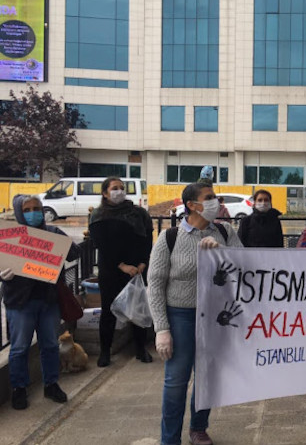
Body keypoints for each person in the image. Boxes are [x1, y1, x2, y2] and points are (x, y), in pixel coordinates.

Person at [147, 182, 243, 445]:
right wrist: (162, 328)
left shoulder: (224, 231)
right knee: (176, 380)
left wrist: (222, 253)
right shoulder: (170, 238)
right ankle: (169, 439)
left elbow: (243, 266)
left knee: (207, 377)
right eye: (209, 197)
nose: (216, 202)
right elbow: (155, 284)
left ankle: (198, 427)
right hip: (181, 316)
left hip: (215, 317)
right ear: (191, 205)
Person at [1, 195, 80, 410]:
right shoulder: (10, 236)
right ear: (19, 212)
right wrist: (3, 274)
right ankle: (19, 388)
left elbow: (75, 253)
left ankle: (51, 384)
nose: (33, 213)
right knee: (19, 348)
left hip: (48, 301)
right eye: (27, 210)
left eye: (37, 208)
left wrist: (60, 245)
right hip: (20, 302)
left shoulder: (52, 232)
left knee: (50, 345)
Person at [89, 177, 154, 367]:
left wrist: (143, 262)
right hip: (111, 270)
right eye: (114, 188)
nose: (119, 191)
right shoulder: (98, 215)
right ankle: (105, 352)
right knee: (108, 311)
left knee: (138, 309)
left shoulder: (138, 213)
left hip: (137, 269)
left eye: (122, 187)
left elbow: (146, 239)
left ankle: (140, 349)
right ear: (105, 193)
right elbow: (102, 245)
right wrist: (122, 265)